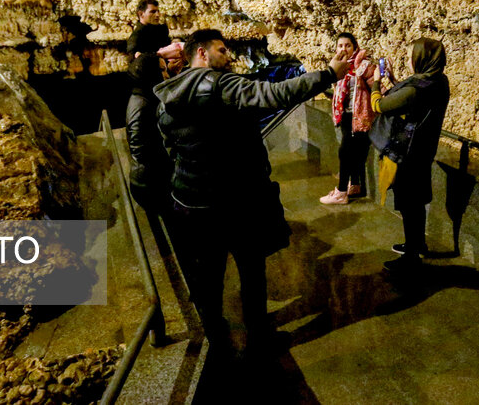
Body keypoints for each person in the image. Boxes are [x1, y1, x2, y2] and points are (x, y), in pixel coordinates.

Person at [154, 29, 350, 356]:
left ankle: (216, 336)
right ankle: (259, 338)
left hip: (191, 203)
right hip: (236, 203)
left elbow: (170, 148)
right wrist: (329, 74)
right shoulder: (221, 85)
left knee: (209, 276)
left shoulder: (167, 97)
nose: (227, 56)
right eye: (220, 50)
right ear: (201, 53)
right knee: (251, 272)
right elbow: (274, 94)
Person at [369, 37, 450, 276]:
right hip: (424, 150)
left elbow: (380, 106)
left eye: (409, 57)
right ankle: (417, 244)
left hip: (408, 154)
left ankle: (412, 258)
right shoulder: (438, 81)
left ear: (421, 59)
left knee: (409, 205)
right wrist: (395, 81)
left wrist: (376, 83)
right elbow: (415, 101)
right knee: (416, 203)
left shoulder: (415, 89)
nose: (408, 60)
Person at [320, 33, 375, 205]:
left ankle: (341, 192)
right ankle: (355, 185)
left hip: (358, 116)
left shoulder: (363, 65)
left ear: (355, 47)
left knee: (345, 152)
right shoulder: (337, 66)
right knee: (355, 152)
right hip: (344, 114)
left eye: (348, 45)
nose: (344, 49)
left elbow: (376, 86)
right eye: (340, 45)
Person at [125, 53, 172, 212]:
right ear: (150, 73)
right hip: (149, 184)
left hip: (150, 178)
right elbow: (139, 150)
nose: (166, 75)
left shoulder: (144, 96)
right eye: (162, 70)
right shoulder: (142, 105)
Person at [126, 0, 184, 66]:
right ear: (141, 14)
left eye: (158, 11)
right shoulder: (136, 37)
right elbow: (134, 62)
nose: (157, 15)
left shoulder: (161, 29)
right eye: (153, 12)